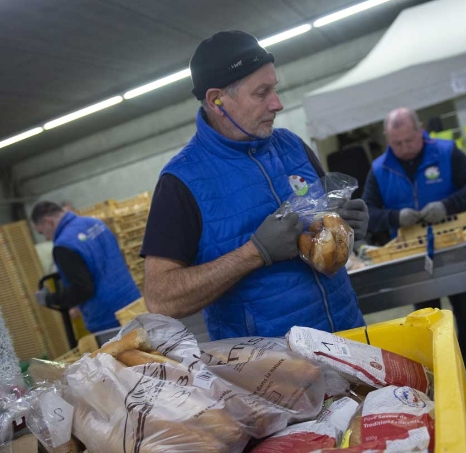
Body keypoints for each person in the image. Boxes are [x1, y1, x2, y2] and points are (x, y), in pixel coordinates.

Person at [140, 30, 367, 341]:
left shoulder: (292, 146)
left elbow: (324, 229)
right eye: (262, 93)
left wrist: (345, 229)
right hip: (274, 373)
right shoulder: (182, 182)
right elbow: (161, 298)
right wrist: (255, 253)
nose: (278, 104)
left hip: (350, 336)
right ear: (217, 101)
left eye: (274, 89)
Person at [362, 107, 466, 392]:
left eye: (410, 140)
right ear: (387, 138)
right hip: (411, 258)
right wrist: (395, 217)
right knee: (425, 321)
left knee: (465, 313)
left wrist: (448, 205)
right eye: (397, 143)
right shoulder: (380, 169)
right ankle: (435, 379)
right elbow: (368, 212)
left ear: (420, 129)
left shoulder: (446, 153)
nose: (405, 148)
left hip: (453, 248)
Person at [31, 201, 140, 333]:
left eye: (42, 233)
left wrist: (50, 299)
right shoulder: (95, 223)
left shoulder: (63, 245)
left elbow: (82, 289)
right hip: (133, 302)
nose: (47, 238)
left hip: (108, 319)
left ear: (49, 221)